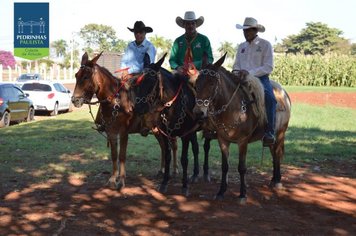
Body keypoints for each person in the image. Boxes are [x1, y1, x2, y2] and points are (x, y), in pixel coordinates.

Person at [232, 17, 277, 146]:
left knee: (270, 99)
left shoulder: (265, 44)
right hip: (241, 79)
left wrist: (250, 73)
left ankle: (270, 131)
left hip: (260, 79)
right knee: (224, 93)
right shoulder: (241, 46)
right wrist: (237, 72)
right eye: (244, 31)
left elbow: (268, 66)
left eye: (248, 31)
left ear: (255, 30)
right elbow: (236, 65)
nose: (245, 33)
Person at [169, 11, 214, 79]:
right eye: (188, 24)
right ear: (184, 25)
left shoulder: (204, 39)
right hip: (180, 72)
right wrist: (177, 67)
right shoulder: (178, 41)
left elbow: (210, 59)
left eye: (193, 23)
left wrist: (194, 65)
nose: (190, 26)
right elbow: (172, 60)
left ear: (196, 25)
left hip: (199, 72)